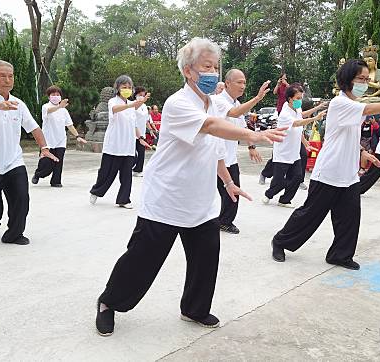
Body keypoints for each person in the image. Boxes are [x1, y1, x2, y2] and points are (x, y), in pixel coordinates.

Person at [95, 38, 286, 337]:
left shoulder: (215, 104)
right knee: (141, 260)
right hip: (167, 198)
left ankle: (193, 309)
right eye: (206, 67)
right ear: (188, 71)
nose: (212, 73)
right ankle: (109, 303)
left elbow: (214, 148)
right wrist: (253, 135)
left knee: (206, 259)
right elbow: (210, 127)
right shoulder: (178, 103)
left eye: (215, 67)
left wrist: (228, 182)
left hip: (201, 201)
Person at [271, 59, 380, 269]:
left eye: (366, 79)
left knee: (349, 217)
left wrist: (364, 152)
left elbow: (348, 135)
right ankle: (280, 241)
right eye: (360, 79)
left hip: (348, 175)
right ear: (347, 80)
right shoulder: (341, 103)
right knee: (310, 214)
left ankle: (340, 255)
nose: (364, 83)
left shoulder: (352, 105)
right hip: (328, 172)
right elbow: (368, 109)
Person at [0, 60, 58, 245]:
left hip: (13, 162)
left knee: (21, 199)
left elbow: (34, 128)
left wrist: (44, 148)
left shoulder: (19, 103)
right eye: (2, 75)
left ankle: (14, 234)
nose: (7, 80)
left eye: (10, 76)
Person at [211, 68, 268, 234]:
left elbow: (244, 128)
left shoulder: (236, 103)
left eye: (244, 82)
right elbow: (234, 114)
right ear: (227, 83)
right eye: (239, 82)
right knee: (208, 193)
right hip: (214, 159)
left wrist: (251, 147)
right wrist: (257, 98)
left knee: (233, 193)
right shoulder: (218, 100)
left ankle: (224, 221)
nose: (243, 86)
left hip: (230, 159)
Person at [89, 75, 150, 208]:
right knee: (106, 173)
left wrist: (140, 138)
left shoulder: (131, 105)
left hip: (128, 146)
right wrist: (133, 105)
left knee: (127, 176)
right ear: (117, 88)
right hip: (114, 146)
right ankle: (96, 191)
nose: (127, 89)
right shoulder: (113, 101)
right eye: (124, 87)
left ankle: (124, 199)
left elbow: (133, 125)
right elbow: (115, 110)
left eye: (129, 87)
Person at [262, 84, 326, 208]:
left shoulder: (296, 109)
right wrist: (315, 118)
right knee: (279, 182)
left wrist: (306, 143)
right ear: (290, 99)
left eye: (301, 98)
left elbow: (301, 118)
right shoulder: (285, 112)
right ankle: (269, 194)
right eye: (298, 98)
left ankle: (285, 200)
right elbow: (297, 123)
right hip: (283, 152)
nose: (300, 101)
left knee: (297, 177)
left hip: (294, 152)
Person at [31, 85, 86, 187]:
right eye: (53, 94)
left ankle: (56, 181)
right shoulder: (45, 107)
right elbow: (49, 111)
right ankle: (38, 174)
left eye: (58, 94)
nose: (56, 96)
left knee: (58, 162)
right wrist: (59, 106)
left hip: (60, 141)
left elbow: (69, 125)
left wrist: (77, 136)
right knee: (46, 164)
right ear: (49, 97)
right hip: (47, 141)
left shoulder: (64, 111)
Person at [132, 86, 153, 176]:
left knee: (141, 152)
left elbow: (146, 120)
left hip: (141, 133)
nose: (142, 96)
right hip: (132, 133)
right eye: (140, 95)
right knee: (132, 154)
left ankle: (138, 170)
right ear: (135, 94)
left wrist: (150, 130)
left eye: (143, 95)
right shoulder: (132, 104)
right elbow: (135, 108)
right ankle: (130, 167)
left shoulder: (145, 106)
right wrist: (142, 100)